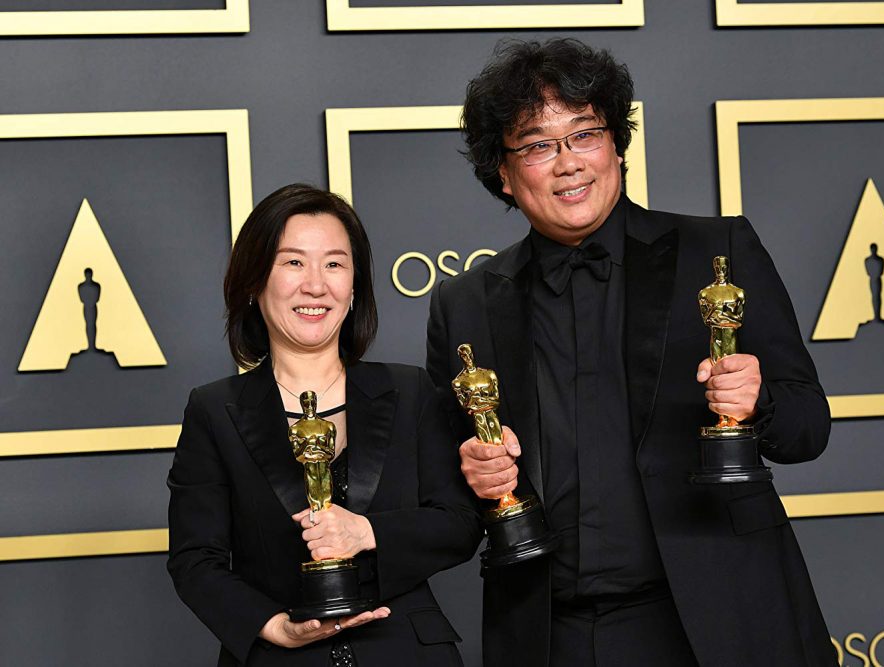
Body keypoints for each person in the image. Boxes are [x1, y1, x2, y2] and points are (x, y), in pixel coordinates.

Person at [425, 39, 837, 667]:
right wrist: (475, 476)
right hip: (546, 630)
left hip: (714, 616)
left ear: (616, 144)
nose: (568, 163)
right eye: (538, 145)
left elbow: (809, 428)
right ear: (503, 175)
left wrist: (757, 404)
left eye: (585, 134)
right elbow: (451, 492)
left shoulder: (716, 250)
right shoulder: (465, 304)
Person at [168, 184, 481, 667]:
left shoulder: (411, 391)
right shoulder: (214, 410)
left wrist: (366, 533)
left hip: (408, 653)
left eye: (334, 264)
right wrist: (275, 628)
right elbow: (195, 560)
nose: (315, 284)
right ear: (255, 282)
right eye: (293, 262)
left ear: (354, 287)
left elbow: (460, 524)